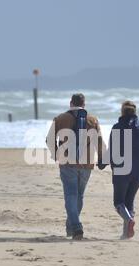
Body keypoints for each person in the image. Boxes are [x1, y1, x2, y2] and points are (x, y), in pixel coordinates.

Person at [46, 93, 104, 240]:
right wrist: (103, 158)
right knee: (79, 195)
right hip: (87, 163)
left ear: (71, 103)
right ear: (84, 104)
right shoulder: (93, 120)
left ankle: (76, 227)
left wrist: (55, 154)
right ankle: (70, 228)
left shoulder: (60, 118)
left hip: (68, 163)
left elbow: (49, 139)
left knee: (70, 195)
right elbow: (99, 141)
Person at [99, 101, 139, 239]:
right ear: (135, 112)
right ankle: (126, 234)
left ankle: (129, 221)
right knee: (129, 202)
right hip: (137, 171)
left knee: (118, 202)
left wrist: (101, 163)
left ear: (122, 112)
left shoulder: (117, 127)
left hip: (121, 171)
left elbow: (111, 151)